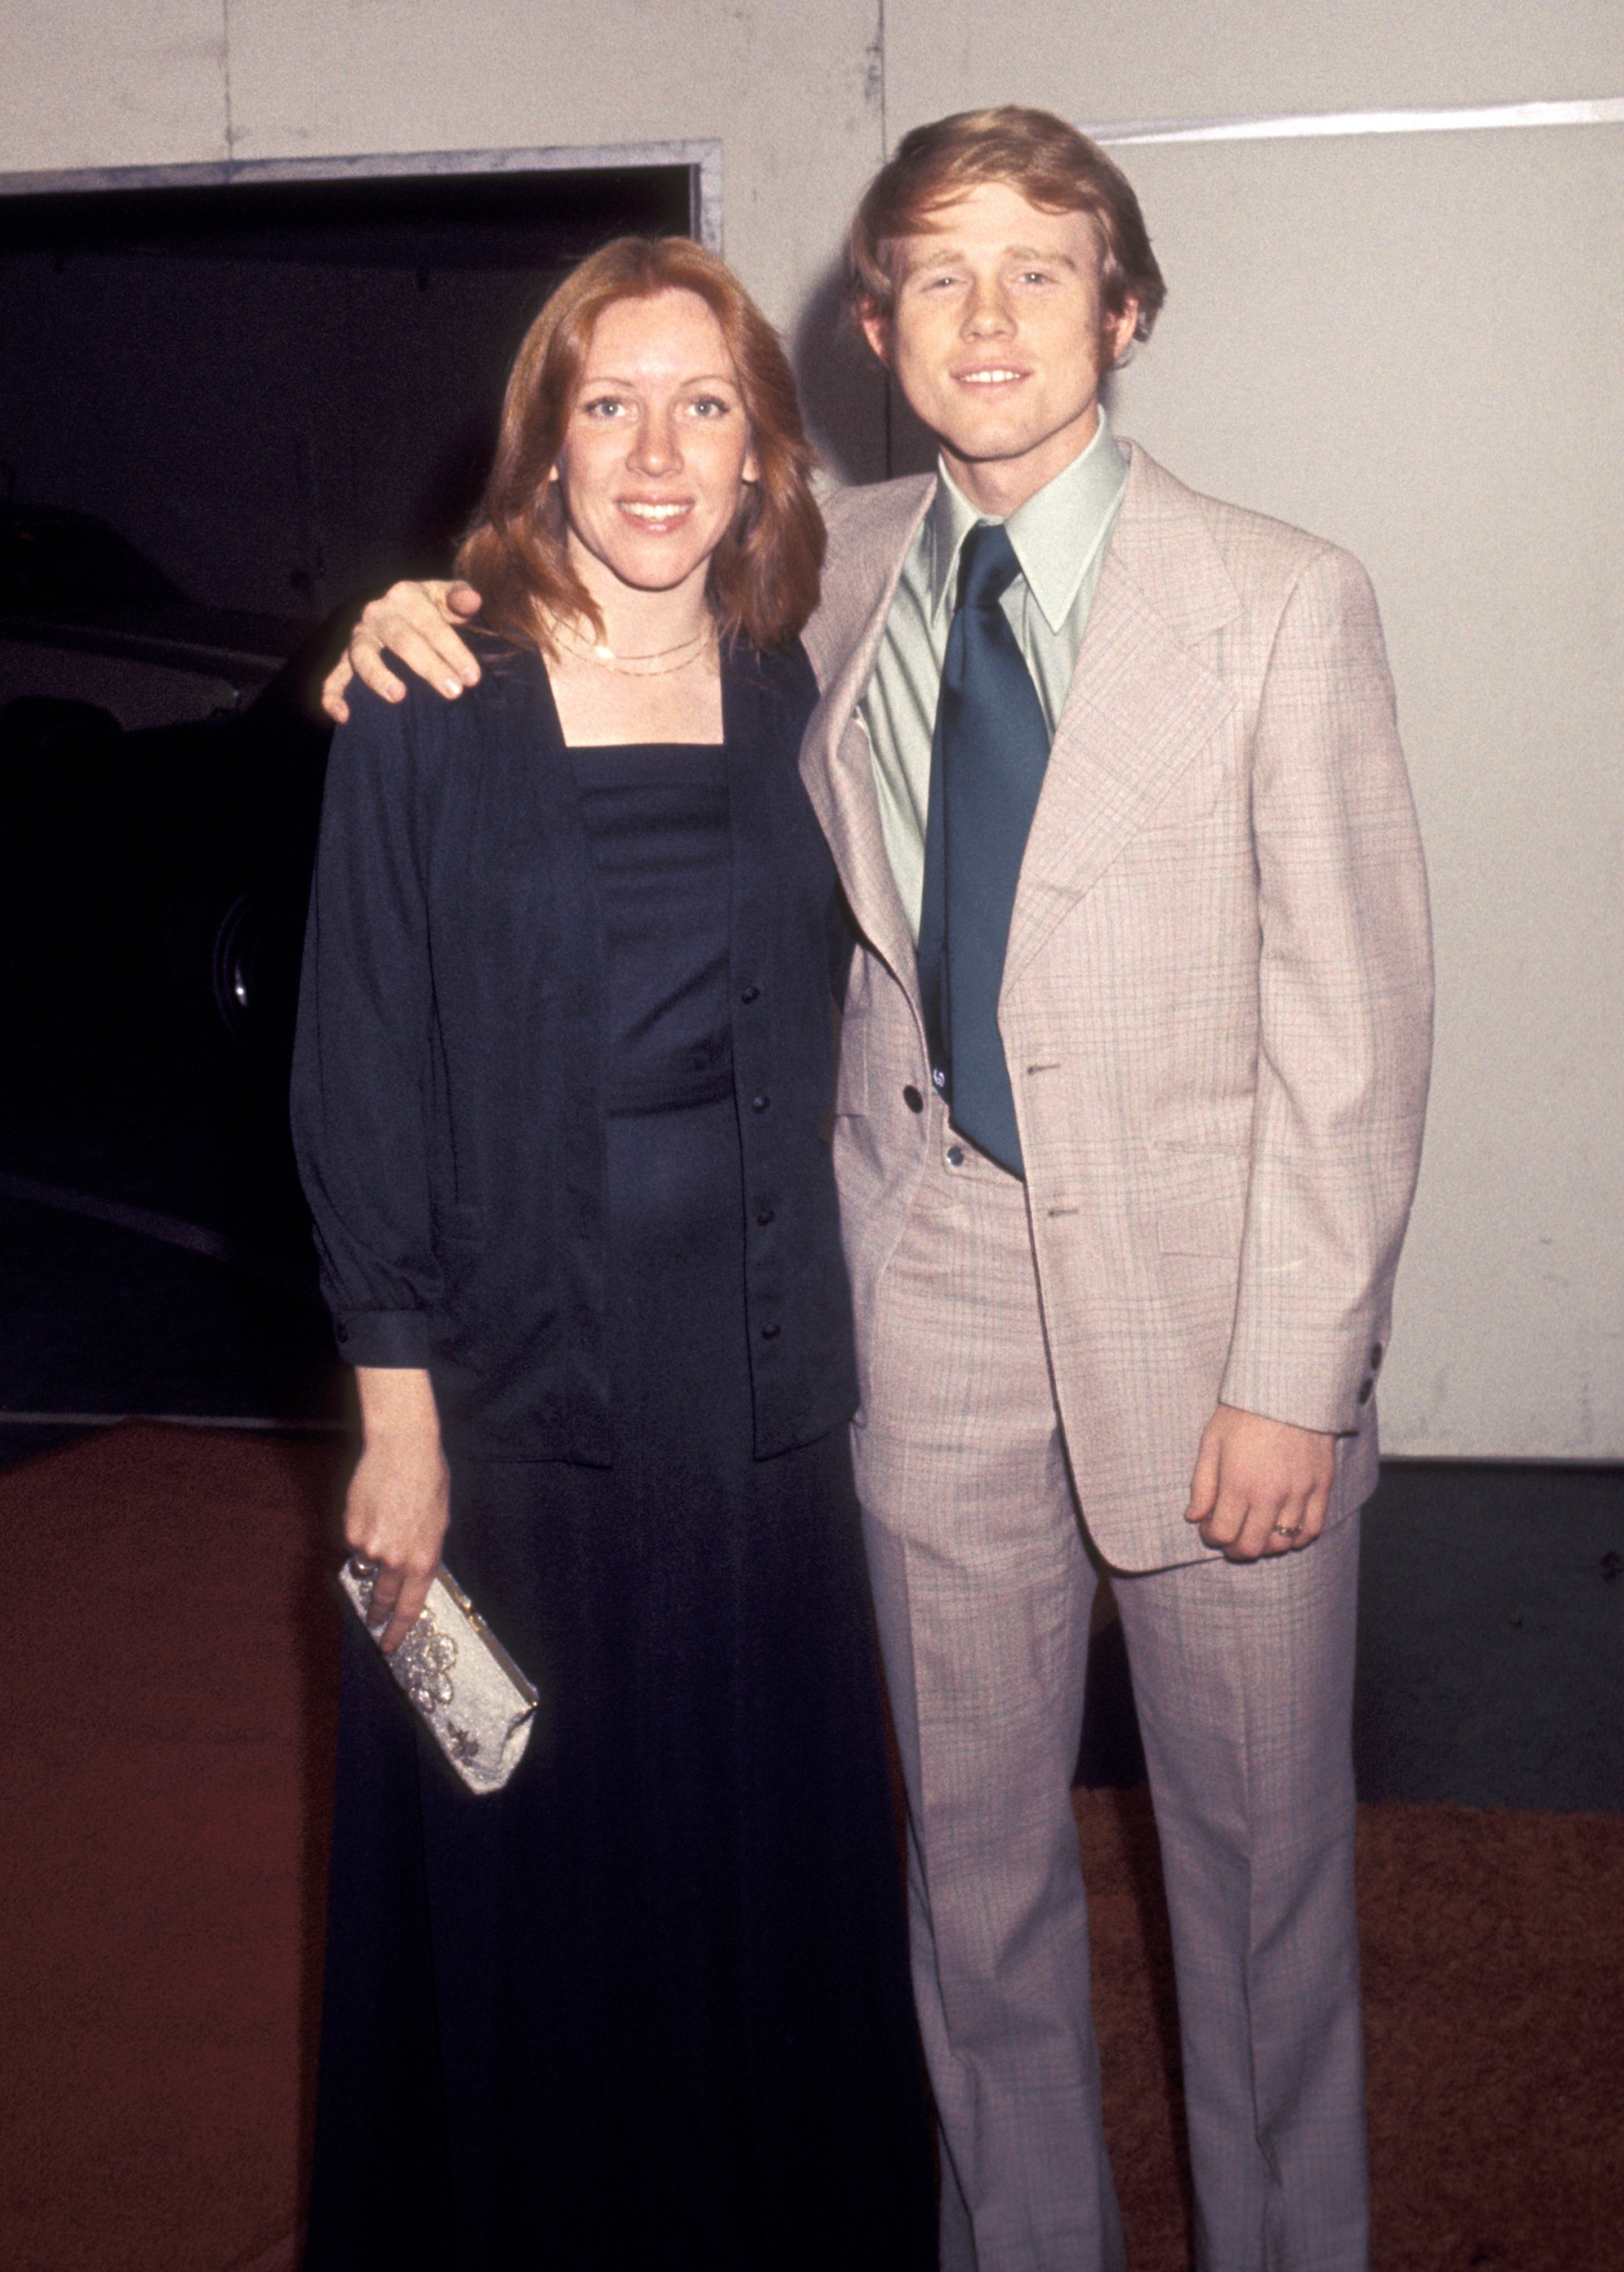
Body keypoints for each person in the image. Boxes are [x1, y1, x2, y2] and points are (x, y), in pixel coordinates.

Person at [328, 106, 1434, 2272]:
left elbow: (1359, 1030)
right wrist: (404, 610)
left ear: (1121, 312)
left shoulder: (1281, 602)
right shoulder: (817, 573)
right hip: (911, 1313)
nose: (989, 315)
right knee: (971, 1885)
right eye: (938, 271)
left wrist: (1296, 1373)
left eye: (1039, 268)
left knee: (1258, 1884)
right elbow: (583, 571)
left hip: (1218, 1340)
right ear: (872, 326)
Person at [293, 235, 936, 2272]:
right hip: (509, 1373)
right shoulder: (427, 697)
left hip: (758, 1366)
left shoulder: (802, 676)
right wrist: (393, 1412)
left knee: (756, 1847)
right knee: (532, 1843)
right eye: (608, 403)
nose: (656, 451)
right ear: (543, 443)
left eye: (705, 403)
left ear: (764, 450)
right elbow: (360, 1064)